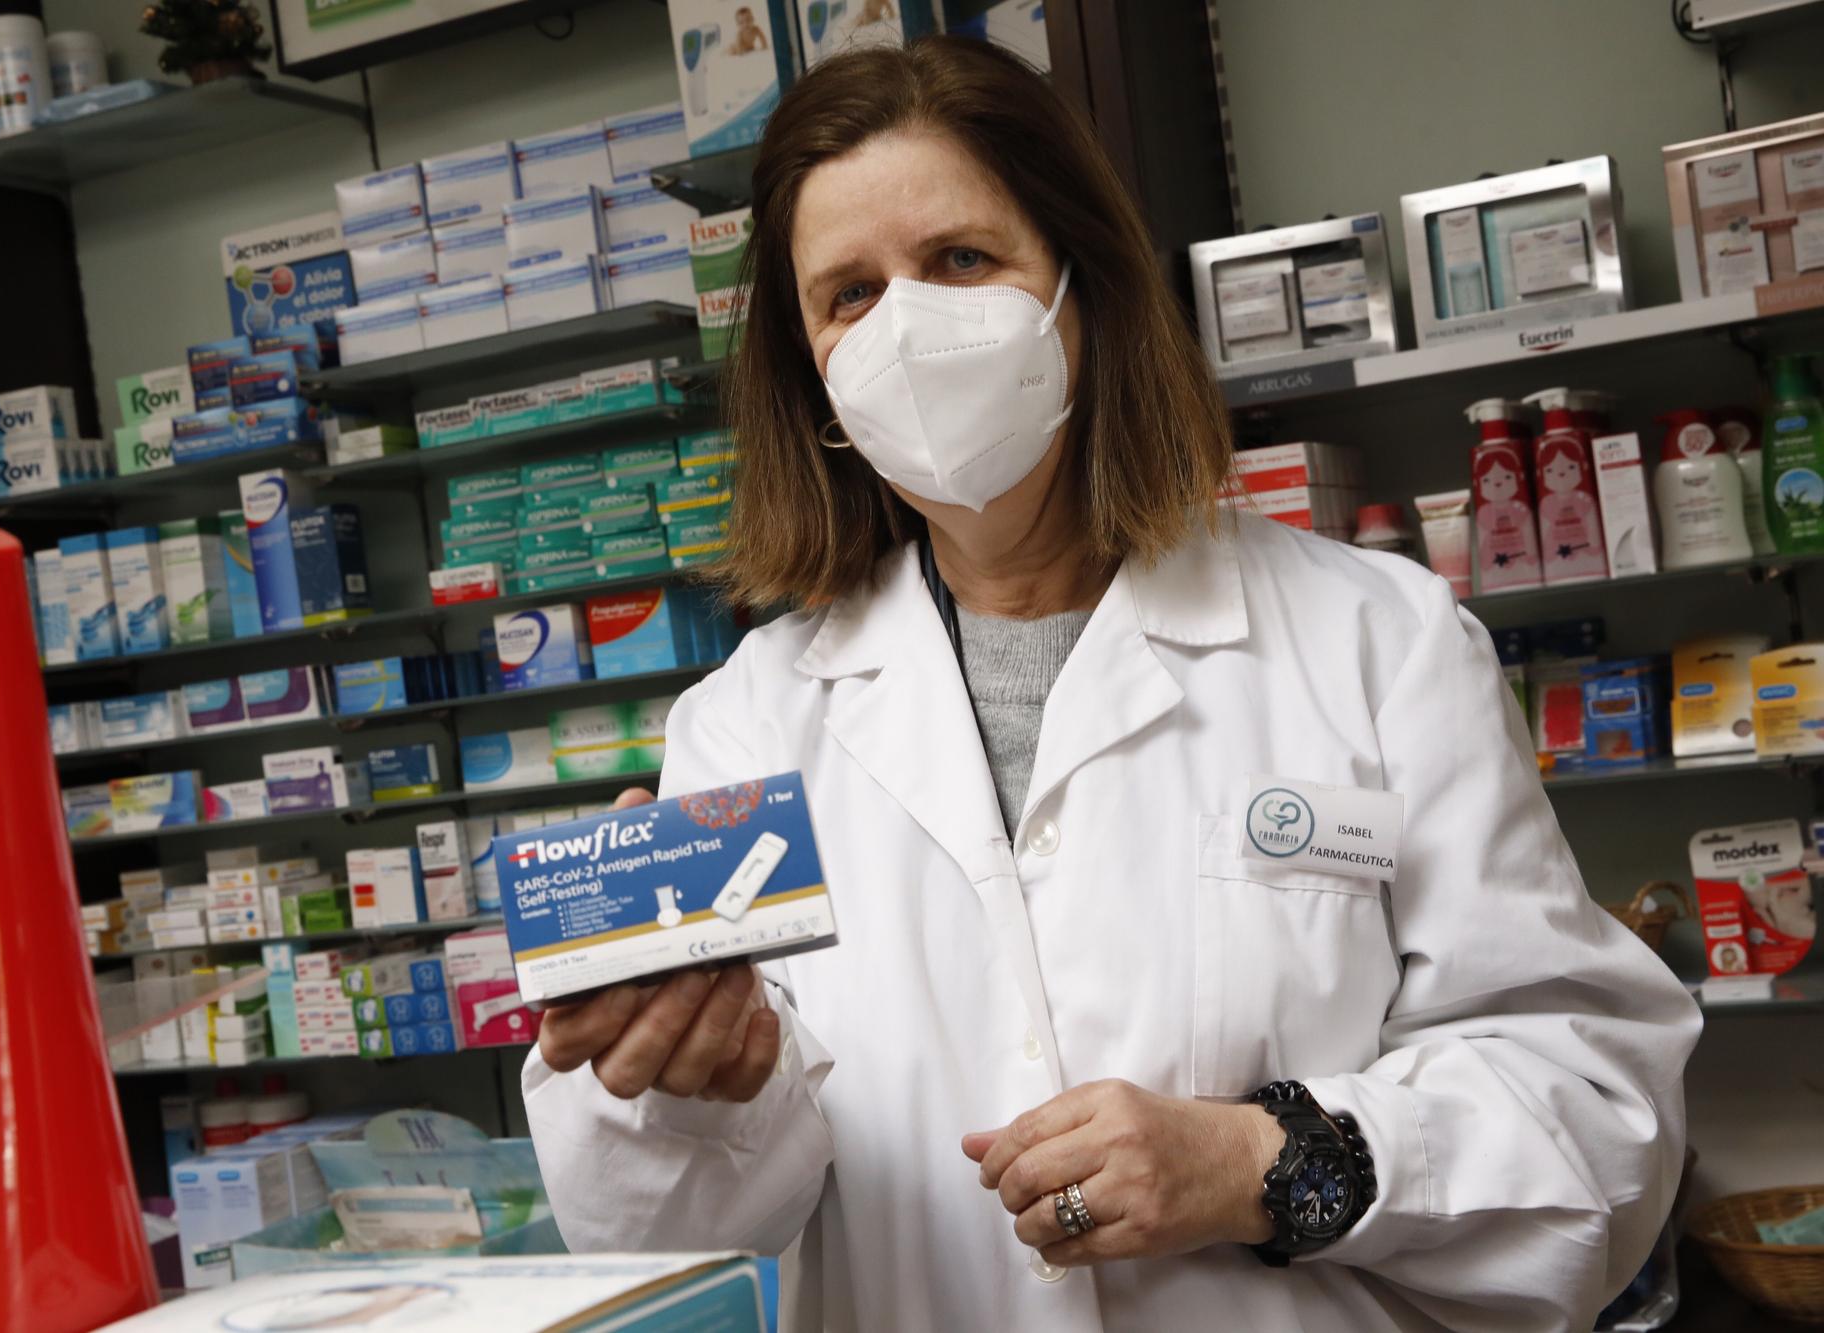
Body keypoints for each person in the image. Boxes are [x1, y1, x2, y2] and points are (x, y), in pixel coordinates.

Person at [522, 37, 1700, 1333]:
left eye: (962, 261)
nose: (906, 326)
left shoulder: (1374, 638)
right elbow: (659, 1242)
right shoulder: (748, 720)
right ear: (811, 378)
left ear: (1084, 289)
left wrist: (1263, 1163)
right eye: (849, 294)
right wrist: (697, 1095)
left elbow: (1595, 1112)